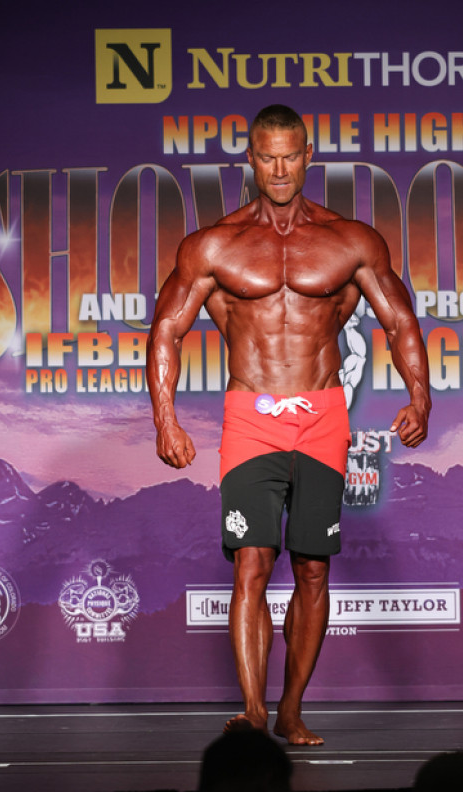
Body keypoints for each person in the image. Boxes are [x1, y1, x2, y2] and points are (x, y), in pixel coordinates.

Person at [148, 105, 431, 745]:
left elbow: (400, 321)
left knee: (312, 569)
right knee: (251, 562)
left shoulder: (351, 240)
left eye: (289, 157)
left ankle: (291, 708)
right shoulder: (213, 245)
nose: (279, 169)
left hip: (323, 416)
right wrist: (165, 420)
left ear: (308, 157)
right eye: (267, 157)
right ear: (251, 159)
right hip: (251, 418)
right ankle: (252, 710)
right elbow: (166, 329)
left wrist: (420, 397)